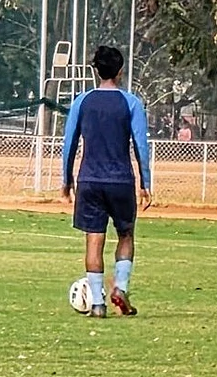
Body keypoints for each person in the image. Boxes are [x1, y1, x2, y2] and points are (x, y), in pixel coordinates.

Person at [60, 45, 151, 318]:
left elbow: (69, 142)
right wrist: (146, 183)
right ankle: (120, 288)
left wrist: (67, 179)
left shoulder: (81, 101)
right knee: (126, 235)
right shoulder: (131, 102)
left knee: (94, 240)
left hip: (89, 179)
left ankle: (98, 304)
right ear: (120, 71)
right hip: (121, 180)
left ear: (95, 70)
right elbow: (140, 145)